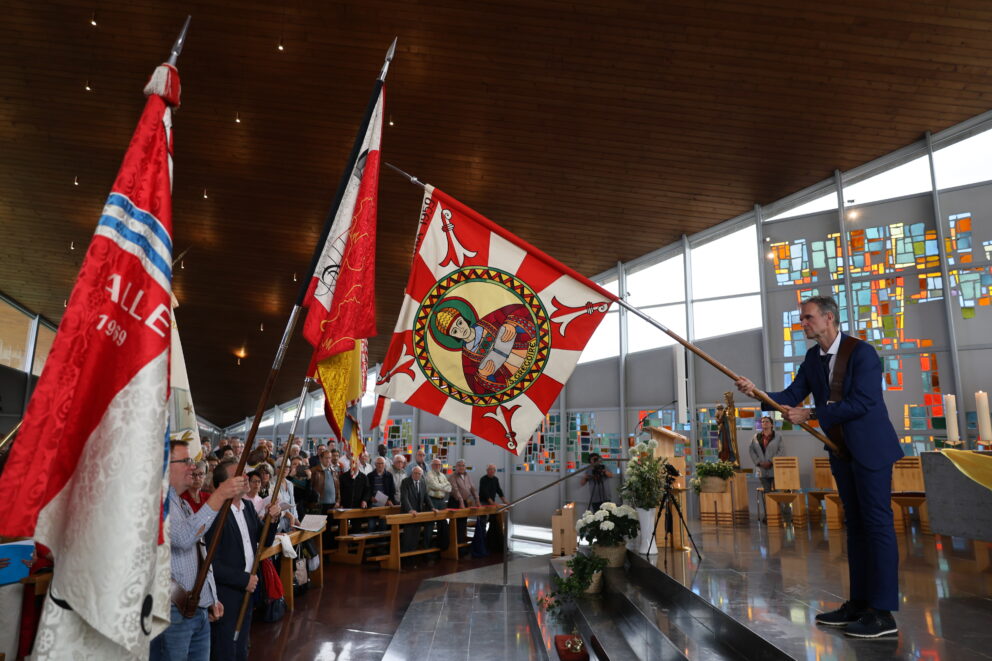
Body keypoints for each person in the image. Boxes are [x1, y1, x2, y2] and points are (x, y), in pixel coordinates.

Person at [736, 295, 902, 638]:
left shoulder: (862, 353)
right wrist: (757, 393)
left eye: (808, 318)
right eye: (802, 318)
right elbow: (791, 394)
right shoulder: (813, 359)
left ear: (829, 319)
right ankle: (858, 604)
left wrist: (811, 413)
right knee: (854, 526)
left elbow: (864, 401)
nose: (804, 323)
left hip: (871, 450)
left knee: (877, 526)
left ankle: (883, 613)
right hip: (841, 451)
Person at [150, 440, 244, 661]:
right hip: (172, 609)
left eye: (192, 461)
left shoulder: (180, 504)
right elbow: (183, 538)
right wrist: (219, 496)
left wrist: (209, 596)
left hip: (195, 606)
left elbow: (199, 550)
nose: (193, 467)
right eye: (186, 461)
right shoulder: (157, 501)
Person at [205, 463, 280, 661]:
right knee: (225, 646)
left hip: (248, 588)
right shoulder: (216, 513)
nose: (246, 477)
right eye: (239, 475)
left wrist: (272, 521)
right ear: (224, 484)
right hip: (226, 591)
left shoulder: (246, 507)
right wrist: (242, 579)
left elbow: (264, 541)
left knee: (241, 645)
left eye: (244, 473)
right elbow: (209, 563)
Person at [429, 300, 538, 396]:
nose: (461, 329)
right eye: (455, 331)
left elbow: (521, 309)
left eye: (460, 323)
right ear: (452, 336)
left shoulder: (489, 320)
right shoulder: (467, 359)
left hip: (532, 354)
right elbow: (475, 388)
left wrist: (511, 323)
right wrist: (482, 376)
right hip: (514, 380)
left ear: (464, 318)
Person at [399, 466, 437, 551]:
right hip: (408, 513)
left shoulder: (423, 482)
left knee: (416, 535)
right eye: (415, 473)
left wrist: (432, 508)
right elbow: (404, 498)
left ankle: (412, 555)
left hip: (418, 513)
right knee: (408, 536)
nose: (416, 475)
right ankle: (405, 556)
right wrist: (410, 509)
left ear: (421, 475)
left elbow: (426, 497)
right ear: (412, 473)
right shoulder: (405, 482)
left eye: (419, 473)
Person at [749, 416, 783, 493]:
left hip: (775, 469)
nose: (764, 423)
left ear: (771, 425)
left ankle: (782, 506)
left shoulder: (778, 436)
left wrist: (771, 462)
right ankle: (768, 505)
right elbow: (751, 450)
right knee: (767, 494)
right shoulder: (756, 437)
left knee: (778, 493)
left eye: (767, 421)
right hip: (762, 470)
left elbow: (781, 451)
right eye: (763, 422)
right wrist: (759, 462)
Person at [448, 459, 478, 543]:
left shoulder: (467, 475)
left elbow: (472, 488)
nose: (461, 467)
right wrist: (461, 502)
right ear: (456, 467)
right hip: (455, 502)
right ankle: (453, 545)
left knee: (463, 524)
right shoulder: (452, 476)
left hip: (464, 501)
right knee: (456, 524)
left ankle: (461, 544)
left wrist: (477, 499)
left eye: (463, 465)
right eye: (459, 465)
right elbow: (455, 490)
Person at [425, 459, 452, 550]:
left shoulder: (443, 475)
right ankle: (426, 548)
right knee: (430, 525)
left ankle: (441, 545)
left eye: (439, 465)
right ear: (432, 465)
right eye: (435, 464)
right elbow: (434, 486)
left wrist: (440, 487)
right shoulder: (429, 474)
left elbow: (449, 488)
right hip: (432, 501)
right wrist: (443, 486)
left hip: (441, 501)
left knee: (443, 524)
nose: (437, 466)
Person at [367, 456, 396, 532]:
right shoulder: (370, 476)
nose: (380, 465)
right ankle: (370, 542)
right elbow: (367, 490)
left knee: (383, 526)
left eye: (382, 463)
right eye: (378, 463)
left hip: (384, 504)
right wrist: (370, 497)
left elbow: (392, 490)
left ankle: (382, 543)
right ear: (375, 465)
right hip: (373, 504)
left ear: (385, 465)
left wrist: (389, 500)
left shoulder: (389, 475)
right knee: (371, 526)